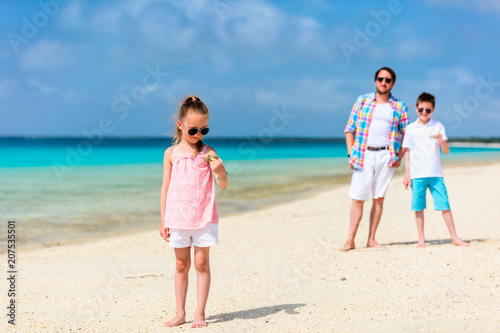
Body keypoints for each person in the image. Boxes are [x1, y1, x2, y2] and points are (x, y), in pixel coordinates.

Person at [159, 95, 229, 328]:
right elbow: (166, 188)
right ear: (180, 126)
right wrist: (163, 220)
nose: (198, 134)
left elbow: (224, 184)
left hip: (203, 218)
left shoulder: (208, 152)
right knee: (181, 265)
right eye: (193, 130)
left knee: (201, 265)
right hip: (178, 218)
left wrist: (221, 171)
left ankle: (199, 313)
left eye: (204, 129)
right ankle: (180, 313)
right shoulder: (171, 154)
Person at [340, 67, 409, 251]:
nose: (383, 83)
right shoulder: (362, 101)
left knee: (378, 199)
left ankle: (371, 238)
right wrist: (350, 154)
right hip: (363, 154)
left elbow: (406, 135)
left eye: (387, 80)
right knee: (357, 198)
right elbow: (349, 129)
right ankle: (350, 240)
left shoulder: (399, 106)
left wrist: (399, 157)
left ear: (392, 83)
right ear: (375, 81)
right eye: (380, 79)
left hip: (387, 156)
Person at [402, 92, 468, 247]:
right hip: (417, 175)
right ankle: (421, 239)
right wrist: (407, 175)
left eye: (428, 110)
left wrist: (440, 140)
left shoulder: (438, 126)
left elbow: (446, 151)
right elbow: (407, 152)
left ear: (433, 110)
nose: (424, 113)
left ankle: (454, 237)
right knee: (418, 207)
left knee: (444, 204)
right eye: (421, 109)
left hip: (435, 174)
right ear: (416, 108)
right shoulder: (411, 128)